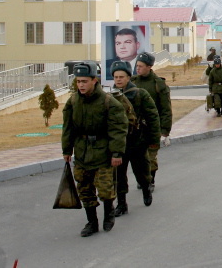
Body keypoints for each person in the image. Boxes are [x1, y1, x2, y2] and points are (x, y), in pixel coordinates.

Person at [61, 61, 128, 237]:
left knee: (105, 189)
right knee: (84, 189)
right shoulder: (73, 101)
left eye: (84, 81)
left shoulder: (109, 102)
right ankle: (92, 222)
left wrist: (116, 153)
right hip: (82, 152)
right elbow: (68, 128)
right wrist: (67, 150)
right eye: (78, 81)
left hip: (103, 152)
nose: (81, 85)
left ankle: (108, 214)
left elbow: (118, 129)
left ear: (94, 81)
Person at [110, 61, 161, 217]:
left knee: (141, 171)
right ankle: (122, 204)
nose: (118, 80)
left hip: (137, 141)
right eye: (116, 77)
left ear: (128, 77)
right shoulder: (110, 96)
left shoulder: (139, 94)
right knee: (118, 175)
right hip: (119, 144)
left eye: (121, 76)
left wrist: (153, 140)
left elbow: (152, 117)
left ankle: (146, 189)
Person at [131, 52, 172, 191]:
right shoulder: (133, 82)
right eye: (137, 66)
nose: (138, 69)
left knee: (151, 157)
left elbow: (166, 109)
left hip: (152, 127)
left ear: (149, 67)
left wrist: (165, 130)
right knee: (137, 157)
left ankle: (150, 180)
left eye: (141, 66)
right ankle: (141, 178)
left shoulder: (158, 84)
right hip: (135, 129)